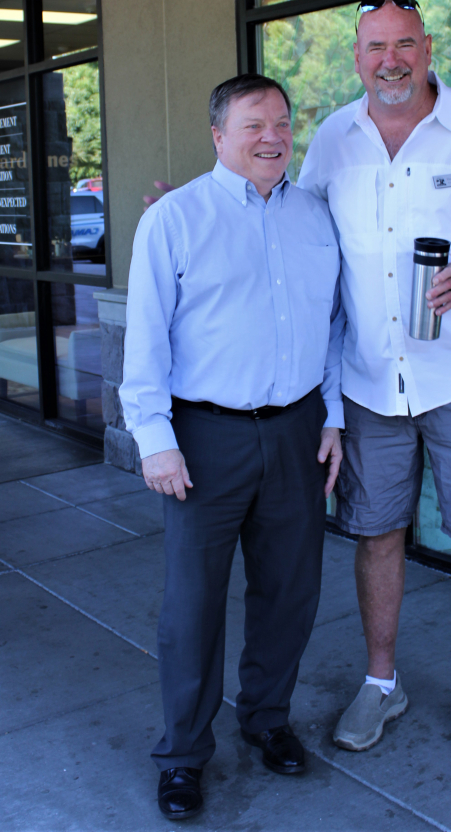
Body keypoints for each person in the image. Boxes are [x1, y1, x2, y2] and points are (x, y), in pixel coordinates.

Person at [297, 0, 451, 768]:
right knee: (376, 535)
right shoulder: (332, 138)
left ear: (428, 46)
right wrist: (202, 211)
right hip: (369, 382)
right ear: (356, 58)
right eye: (376, 47)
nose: (391, 61)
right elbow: (296, 229)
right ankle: (381, 682)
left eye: (404, 44)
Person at [120, 73, 344, 820]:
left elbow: (334, 329)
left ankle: (267, 720)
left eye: (281, 121)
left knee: (290, 593)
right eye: (253, 124)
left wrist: (333, 417)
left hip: (297, 431)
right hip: (202, 437)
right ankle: (183, 755)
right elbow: (145, 336)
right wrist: (154, 439)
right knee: (192, 606)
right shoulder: (175, 219)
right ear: (218, 135)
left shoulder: (316, 215)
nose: (273, 136)